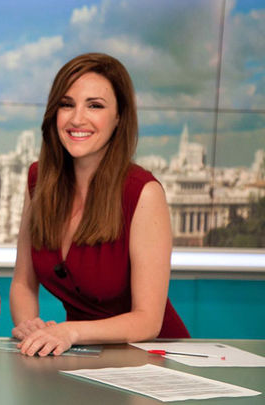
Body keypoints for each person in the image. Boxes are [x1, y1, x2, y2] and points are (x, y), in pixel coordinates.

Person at [10, 53, 189, 357]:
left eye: (95, 105)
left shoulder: (143, 192)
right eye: (67, 104)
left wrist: (70, 331)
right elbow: (23, 283)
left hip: (152, 358)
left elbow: (148, 321)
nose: (77, 119)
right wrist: (30, 327)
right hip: (84, 356)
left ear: (119, 117)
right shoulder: (38, 179)